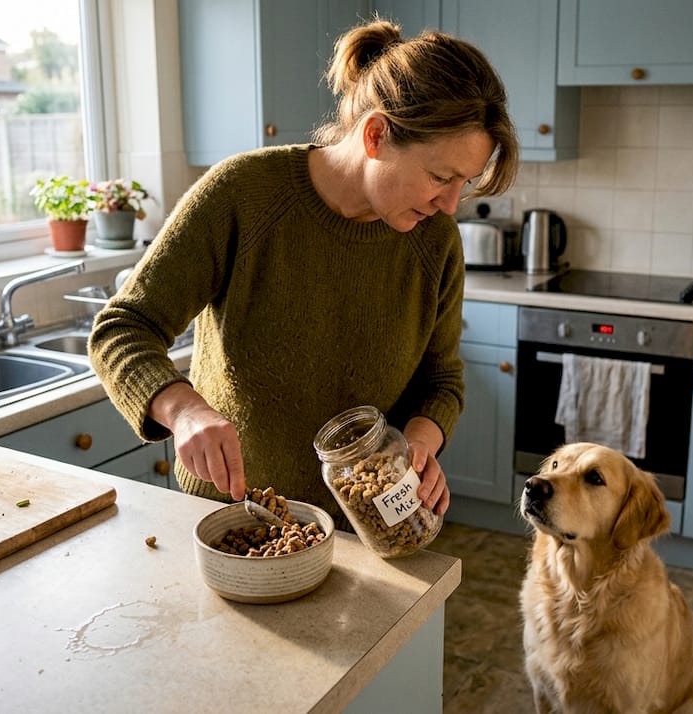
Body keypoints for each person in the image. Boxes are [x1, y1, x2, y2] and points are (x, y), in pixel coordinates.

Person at [88, 18, 519, 523]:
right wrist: (183, 410)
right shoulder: (243, 195)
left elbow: (442, 379)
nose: (449, 205)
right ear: (377, 134)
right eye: (439, 177)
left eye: (462, 183)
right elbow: (123, 328)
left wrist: (420, 443)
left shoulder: (435, 240)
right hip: (231, 517)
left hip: (365, 524)